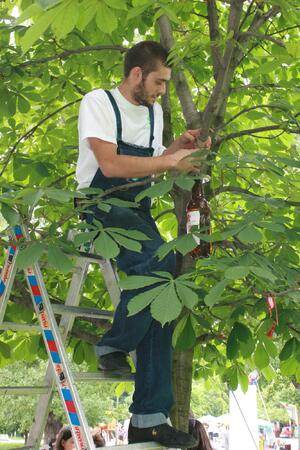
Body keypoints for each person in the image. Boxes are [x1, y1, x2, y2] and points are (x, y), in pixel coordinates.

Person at [76, 40, 211, 448]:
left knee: (164, 283)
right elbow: (112, 164)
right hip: (99, 206)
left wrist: (175, 150)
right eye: (159, 81)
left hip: (137, 210)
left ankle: (149, 419)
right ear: (136, 74)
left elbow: (150, 164)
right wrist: (168, 162)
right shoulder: (98, 102)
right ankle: (114, 344)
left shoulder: (153, 114)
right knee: (156, 264)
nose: (163, 91)